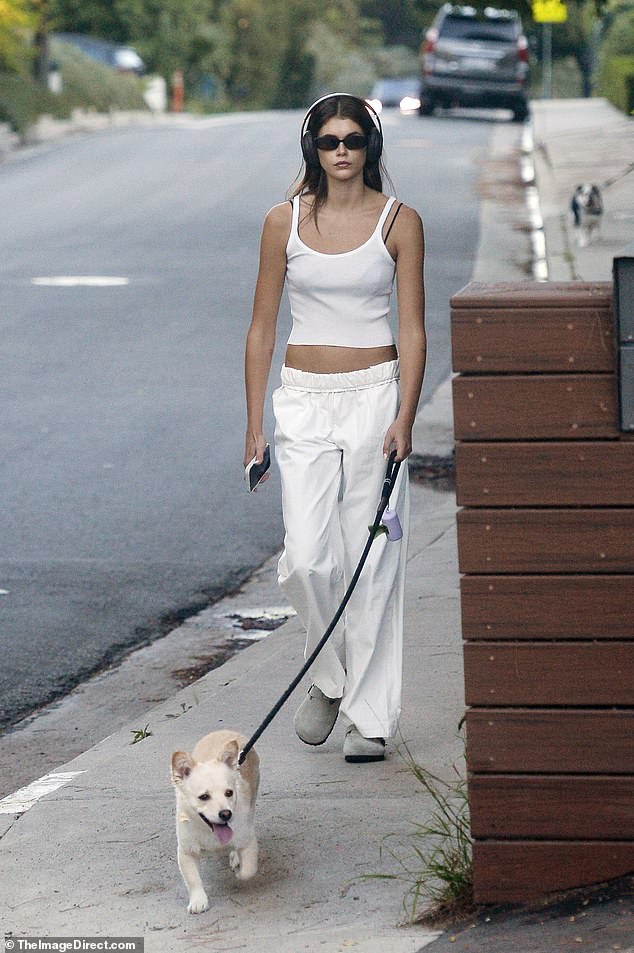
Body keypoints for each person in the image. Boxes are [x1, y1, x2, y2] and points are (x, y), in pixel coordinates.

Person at [244, 93, 426, 763]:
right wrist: (252, 424)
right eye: (329, 140)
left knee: (373, 560)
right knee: (307, 557)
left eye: (352, 139)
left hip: (377, 399)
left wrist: (406, 414)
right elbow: (261, 326)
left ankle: (371, 718)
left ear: (370, 147)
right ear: (312, 149)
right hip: (303, 401)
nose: (342, 150)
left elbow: (412, 328)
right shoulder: (281, 222)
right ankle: (327, 674)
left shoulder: (400, 223)